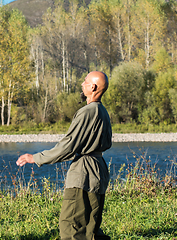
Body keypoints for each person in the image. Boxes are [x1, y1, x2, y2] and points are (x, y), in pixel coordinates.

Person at [16, 71, 112, 240]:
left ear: (93, 87)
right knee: (91, 227)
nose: (82, 84)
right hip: (99, 170)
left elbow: (67, 147)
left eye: (85, 81)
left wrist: (35, 158)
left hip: (84, 173)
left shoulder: (87, 111)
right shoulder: (103, 111)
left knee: (71, 228)